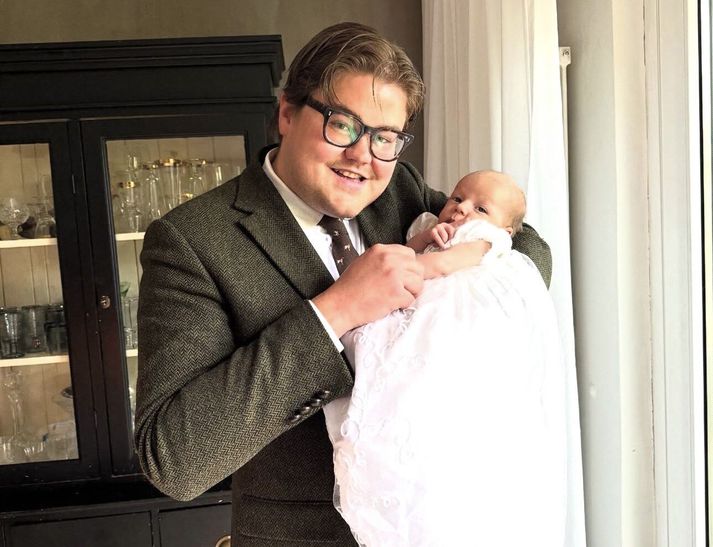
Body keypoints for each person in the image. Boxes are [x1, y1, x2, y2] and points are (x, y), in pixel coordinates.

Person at [134, 22, 552, 546]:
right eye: (342, 124)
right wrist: (335, 312)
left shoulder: (400, 189)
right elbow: (173, 459)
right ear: (287, 113)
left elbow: (525, 244)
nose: (363, 156)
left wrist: (452, 279)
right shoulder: (192, 241)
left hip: (444, 521)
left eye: (385, 137)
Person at [324, 170, 571, 546]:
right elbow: (409, 250)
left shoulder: (485, 238)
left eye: (480, 208)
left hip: (447, 309)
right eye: (457, 198)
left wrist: (411, 269)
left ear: (504, 228)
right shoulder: (431, 222)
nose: (461, 209)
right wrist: (424, 240)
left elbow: (440, 265)